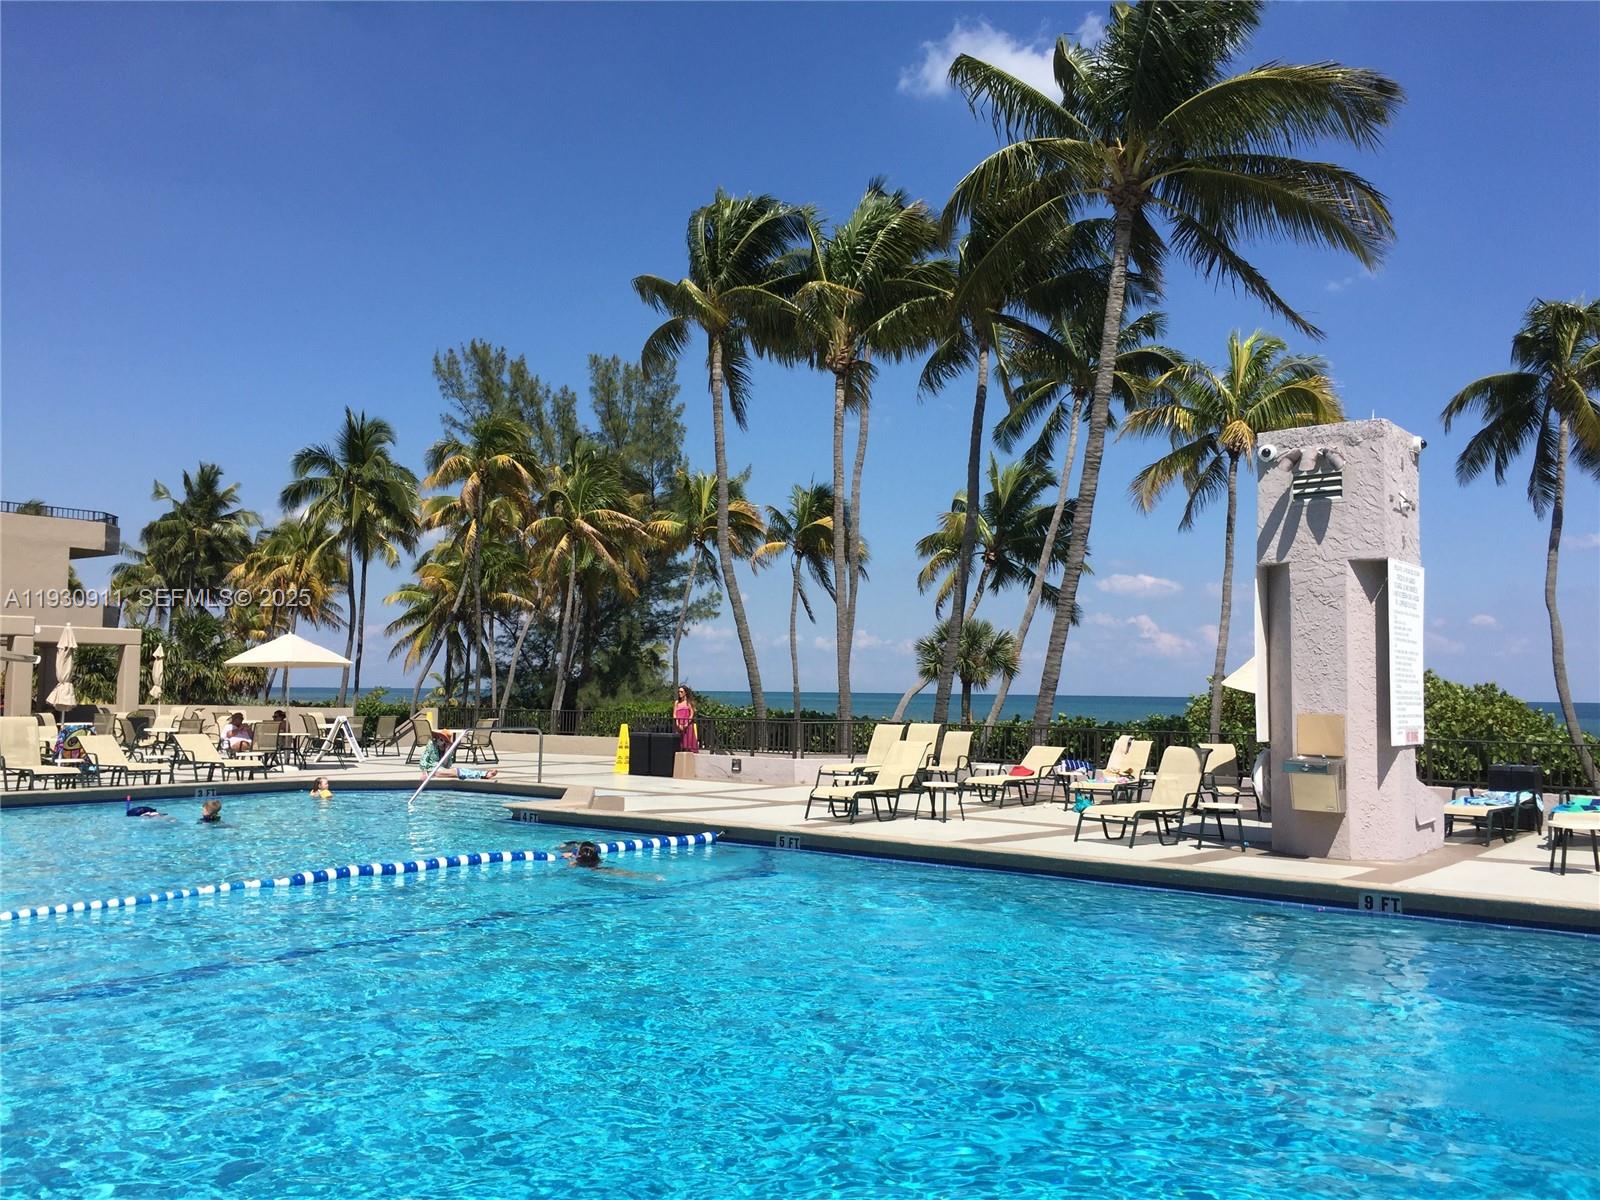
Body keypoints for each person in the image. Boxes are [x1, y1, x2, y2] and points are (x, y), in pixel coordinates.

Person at [563, 840, 663, 880]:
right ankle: (651, 876)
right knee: (629, 874)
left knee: (626, 874)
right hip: (601, 867)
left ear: (580, 855)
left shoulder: (575, 863)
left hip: (595, 870)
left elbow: (568, 869)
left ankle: (649, 877)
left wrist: (569, 859)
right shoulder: (596, 859)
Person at [419, 731, 499, 780]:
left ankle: (483, 774)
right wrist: (424, 772)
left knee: (459, 771)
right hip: (433, 769)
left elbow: (448, 765)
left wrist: (447, 751)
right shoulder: (432, 745)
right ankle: (484, 775)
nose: (439, 740)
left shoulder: (447, 749)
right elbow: (423, 760)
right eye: (438, 738)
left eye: (442, 739)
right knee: (457, 771)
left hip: (442, 769)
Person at [673, 685, 699, 753]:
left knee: (688, 742)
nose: (679, 693)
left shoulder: (688, 702)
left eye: (681, 692)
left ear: (685, 693)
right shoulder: (677, 702)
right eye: (679, 692)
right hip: (679, 724)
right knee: (680, 743)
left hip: (687, 725)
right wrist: (678, 724)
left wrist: (686, 724)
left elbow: (691, 714)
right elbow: (674, 714)